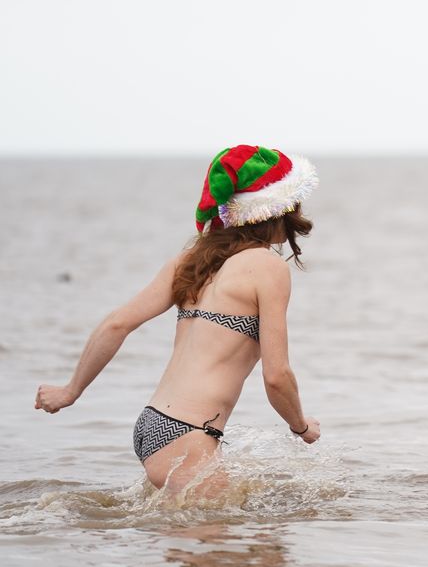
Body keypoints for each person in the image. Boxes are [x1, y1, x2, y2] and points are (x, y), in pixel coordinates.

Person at [35, 145, 322, 491]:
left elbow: (117, 323)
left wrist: (70, 391)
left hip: (153, 424)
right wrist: (301, 427)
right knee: (266, 542)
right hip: (190, 433)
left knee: (209, 537)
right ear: (276, 208)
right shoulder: (268, 268)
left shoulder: (191, 262)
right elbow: (276, 375)